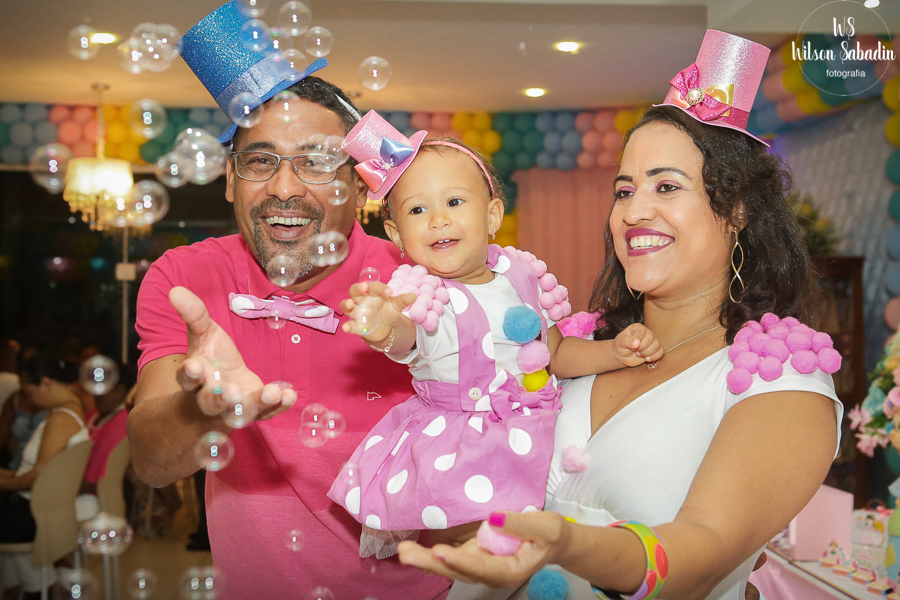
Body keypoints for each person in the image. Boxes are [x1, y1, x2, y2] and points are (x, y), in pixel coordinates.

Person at [397, 30, 843, 600]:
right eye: (624, 189)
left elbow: (698, 552)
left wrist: (565, 543)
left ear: (735, 210)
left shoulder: (778, 376)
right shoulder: (576, 347)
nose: (635, 212)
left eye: (666, 186)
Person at [127, 2, 452, 598]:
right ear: (229, 179)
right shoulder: (186, 277)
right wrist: (204, 411)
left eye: (317, 162)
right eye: (261, 162)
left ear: (359, 185)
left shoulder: (418, 277)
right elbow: (150, 463)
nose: (284, 188)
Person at [328, 113, 661, 555]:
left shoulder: (519, 275)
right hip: (462, 450)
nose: (438, 220)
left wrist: (613, 354)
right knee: (488, 557)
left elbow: (555, 353)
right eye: (417, 209)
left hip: (539, 431)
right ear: (396, 234)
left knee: (554, 542)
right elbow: (406, 337)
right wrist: (381, 323)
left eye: (454, 202)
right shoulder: (420, 296)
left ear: (492, 215)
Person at [0, 352, 90, 599]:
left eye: (29, 392)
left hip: (33, 512)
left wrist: (4, 483)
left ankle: (36, 587)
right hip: (39, 508)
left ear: (47, 383)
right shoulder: (68, 412)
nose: (31, 400)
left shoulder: (60, 419)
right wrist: (7, 476)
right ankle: (30, 585)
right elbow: (32, 473)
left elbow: (37, 478)